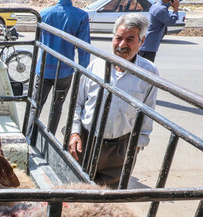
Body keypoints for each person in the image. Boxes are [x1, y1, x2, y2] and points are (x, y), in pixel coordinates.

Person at [69, 14, 158, 188]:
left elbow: (148, 111)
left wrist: (137, 144)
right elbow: (78, 103)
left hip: (121, 147)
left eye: (130, 39)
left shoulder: (149, 72)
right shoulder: (96, 65)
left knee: (108, 201)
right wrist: (74, 132)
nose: (122, 45)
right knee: (77, 194)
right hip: (86, 143)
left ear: (142, 40)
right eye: (118, 38)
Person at [27, 0, 90, 140]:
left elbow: (40, 41)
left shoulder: (43, 14)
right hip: (64, 71)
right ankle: (49, 140)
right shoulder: (81, 16)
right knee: (56, 108)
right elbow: (84, 49)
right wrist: (84, 74)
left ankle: (29, 139)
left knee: (35, 106)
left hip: (43, 68)